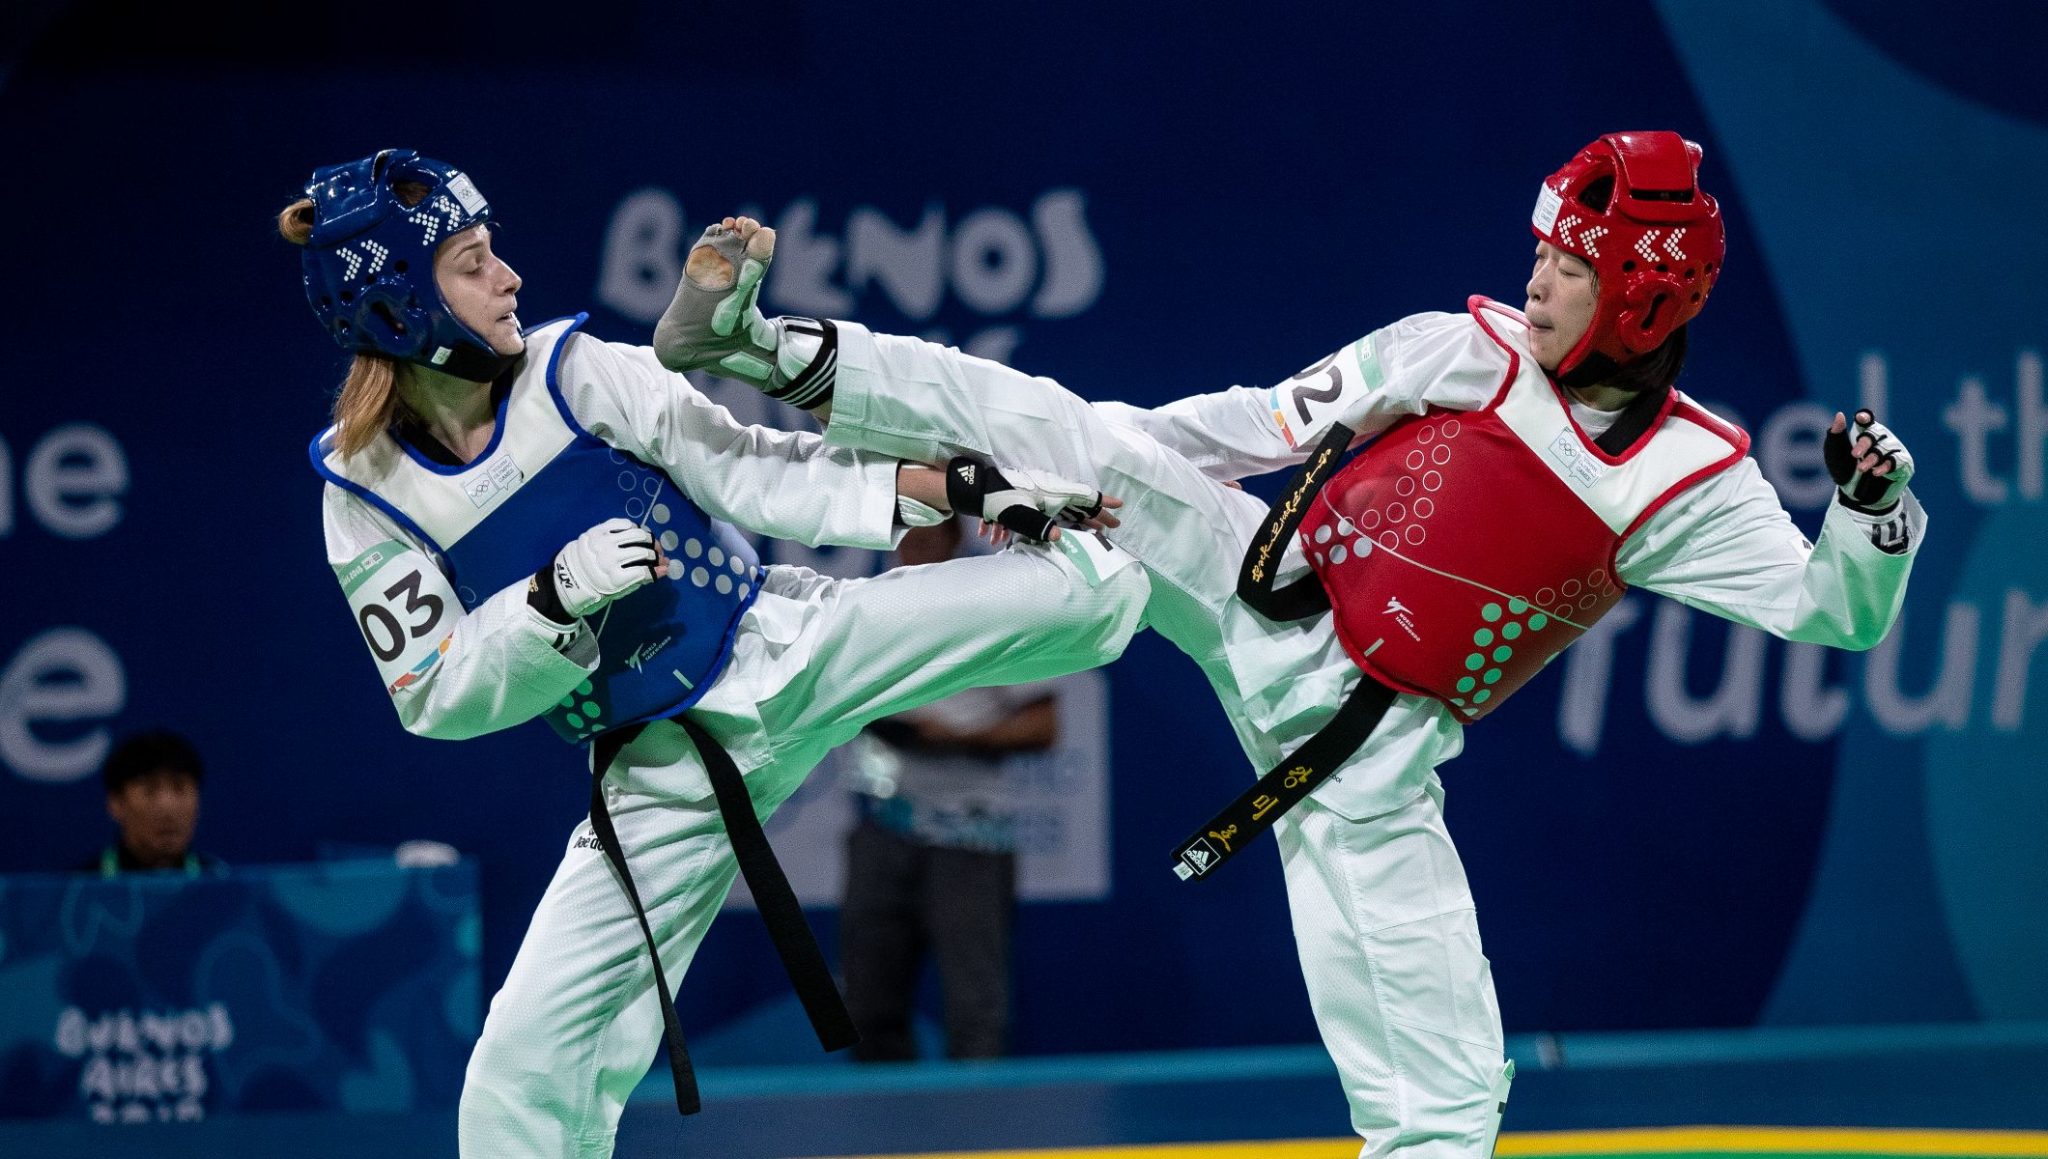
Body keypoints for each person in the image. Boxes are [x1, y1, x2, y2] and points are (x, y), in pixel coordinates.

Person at [655, 131, 1924, 1154]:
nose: (1535, 279)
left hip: (1368, 762)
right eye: (1539, 252)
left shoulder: (1683, 479)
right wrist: (1098, 457)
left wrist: (1874, 514)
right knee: (1064, 427)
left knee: (1443, 1105)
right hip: (1259, 588)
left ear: (1641, 297)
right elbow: (1260, 423)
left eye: (1570, 266)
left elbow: (1834, 611)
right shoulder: (1459, 344)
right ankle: (762, 349)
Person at [281, 149, 1149, 1159]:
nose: (508, 276)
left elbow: (763, 475)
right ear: (394, 303)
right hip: (662, 774)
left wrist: (966, 489)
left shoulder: (576, 371)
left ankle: (1179, 553)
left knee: (1100, 587)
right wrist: (552, 602)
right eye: (473, 262)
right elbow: (436, 695)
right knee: (517, 1077)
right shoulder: (362, 491)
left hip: (786, 646)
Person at [840, 517, 1059, 1062]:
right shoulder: (868, 609)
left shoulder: (993, 613)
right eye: (900, 533)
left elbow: (1043, 726)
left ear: (953, 538)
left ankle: (981, 1142)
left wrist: (956, 736)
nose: (909, 545)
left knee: (975, 1012)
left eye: (923, 532)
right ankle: (878, 1143)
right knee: (868, 1013)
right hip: (883, 827)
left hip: (969, 835)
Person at [78, 730, 225, 877]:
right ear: (116, 803)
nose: (168, 808)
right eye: (149, 791)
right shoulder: (80, 888)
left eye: (179, 788)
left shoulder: (220, 882)